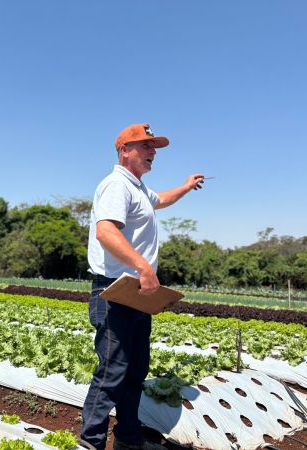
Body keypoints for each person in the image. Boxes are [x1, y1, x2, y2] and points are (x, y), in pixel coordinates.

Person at [80, 123, 204, 450]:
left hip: (136, 294)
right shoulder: (116, 185)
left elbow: (161, 199)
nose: (153, 152)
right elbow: (106, 231)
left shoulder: (138, 189)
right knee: (112, 371)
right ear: (125, 150)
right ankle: (89, 443)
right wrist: (143, 266)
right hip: (114, 291)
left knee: (135, 370)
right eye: (146, 145)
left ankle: (128, 439)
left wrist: (186, 186)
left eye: (154, 147)